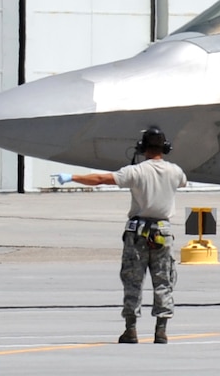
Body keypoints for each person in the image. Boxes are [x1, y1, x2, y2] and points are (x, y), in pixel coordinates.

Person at [71, 126, 189, 344]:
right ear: (165, 147)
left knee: (133, 280)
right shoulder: (175, 171)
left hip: (138, 231)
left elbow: (100, 179)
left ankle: (131, 329)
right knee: (163, 280)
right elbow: (182, 182)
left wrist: (72, 176)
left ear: (143, 148)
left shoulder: (135, 172)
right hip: (163, 231)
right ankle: (161, 330)